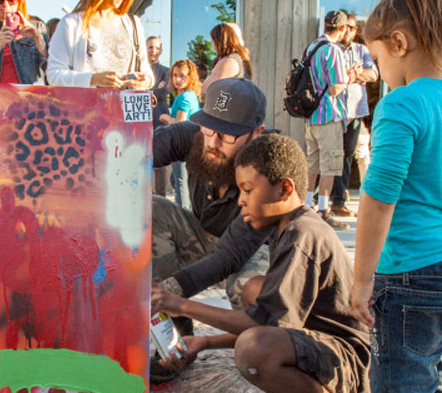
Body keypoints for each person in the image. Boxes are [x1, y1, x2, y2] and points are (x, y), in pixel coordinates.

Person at [350, 0, 442, 392]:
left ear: (399, 42)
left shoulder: (400, 105)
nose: (379, 71)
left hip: (412, 274)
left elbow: (378, 198)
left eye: (377, 59)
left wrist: (361, 279)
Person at [152, 134, 371, 393]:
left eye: (248, 190)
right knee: (254, 290)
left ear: (285, 189)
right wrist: (205, 342)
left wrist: (179, 304)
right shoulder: (290, 227)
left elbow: (263, 327)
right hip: (319, 343)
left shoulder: (302, 235)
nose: (241, 200)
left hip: (347, 360)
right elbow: (275, 322)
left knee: (254, 349)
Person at [150, 77, 272, 382]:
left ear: (256, 134)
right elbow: (131, 152)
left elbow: (229, 256)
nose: (212, 143)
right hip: (203, 236)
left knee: (254, 296)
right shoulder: (194, 137)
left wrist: (171, 294)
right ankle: (173, 336)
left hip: (252, 251)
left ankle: (260, 347)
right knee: (151, 208)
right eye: (208, 129)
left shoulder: (268, 167)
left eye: (227, 136)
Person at [46, 0, 154, 90]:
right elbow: (54, 75)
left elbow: (145, 69)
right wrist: (92, 79)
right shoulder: (71, 24)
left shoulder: (133, 24)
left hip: (123, 109)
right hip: (85, 109)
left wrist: (147, 81)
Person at [302, 10, 351, 230]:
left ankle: (305, 207)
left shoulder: (311, 48)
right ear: (342, 29)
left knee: (312, 163)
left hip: (311, 116)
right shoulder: (333, 50)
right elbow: (335, 87)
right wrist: (351, 76)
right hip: (329, 115)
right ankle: (323, 211)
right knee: (330, 165)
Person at [330, 14, 379, 218]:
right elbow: (329, 80)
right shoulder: (331, 49)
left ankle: (338, 199)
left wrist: (348, 75)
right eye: (344, 27)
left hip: (355, 111)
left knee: (348, 155)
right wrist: (353, 76)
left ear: (355, 30)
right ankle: (331, 197)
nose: (347, 31)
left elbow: (373, 75)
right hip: (333, 110)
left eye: (351, 27)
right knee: (332, 155)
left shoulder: (361, 51)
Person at [159, 59, 202, 209]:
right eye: (175, 75)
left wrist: (166, 118)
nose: (177, 79)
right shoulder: (189, 95)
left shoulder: (184, 97)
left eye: (182, 76)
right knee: (177, 179)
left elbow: (180, 123)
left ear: (190, 77)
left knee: (181, 183)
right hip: (190, 143)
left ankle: (182, 219)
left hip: (182, 144)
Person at [148, 36, 172, 197]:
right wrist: (155, 89)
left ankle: (161, 198)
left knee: (160, 162)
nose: (154, 51)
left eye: (157, 48)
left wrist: (147, 91)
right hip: (141, 120)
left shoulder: (166, 71)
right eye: (150, 47)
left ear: (161, 51)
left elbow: (165, 91)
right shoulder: (137, 70)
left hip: (160, 119)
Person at [200, 23, 253, 95]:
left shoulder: (230, 61)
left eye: (212, 42)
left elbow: (207, 88)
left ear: (220, 41)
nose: (213, 46)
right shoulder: (239, 59)